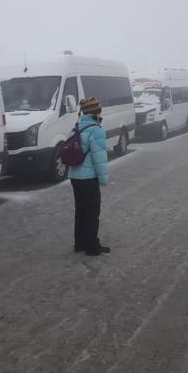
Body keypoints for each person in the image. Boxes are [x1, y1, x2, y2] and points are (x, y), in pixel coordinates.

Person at [68, 97, 110, 256]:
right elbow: (99, 158)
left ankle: (79, 243)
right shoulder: (96, 129)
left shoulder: (76, 127)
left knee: (80, 210)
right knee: (92, 211)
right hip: (89, 178)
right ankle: (92, 246)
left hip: (75, 177)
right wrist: (103, 179)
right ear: (96, 112)